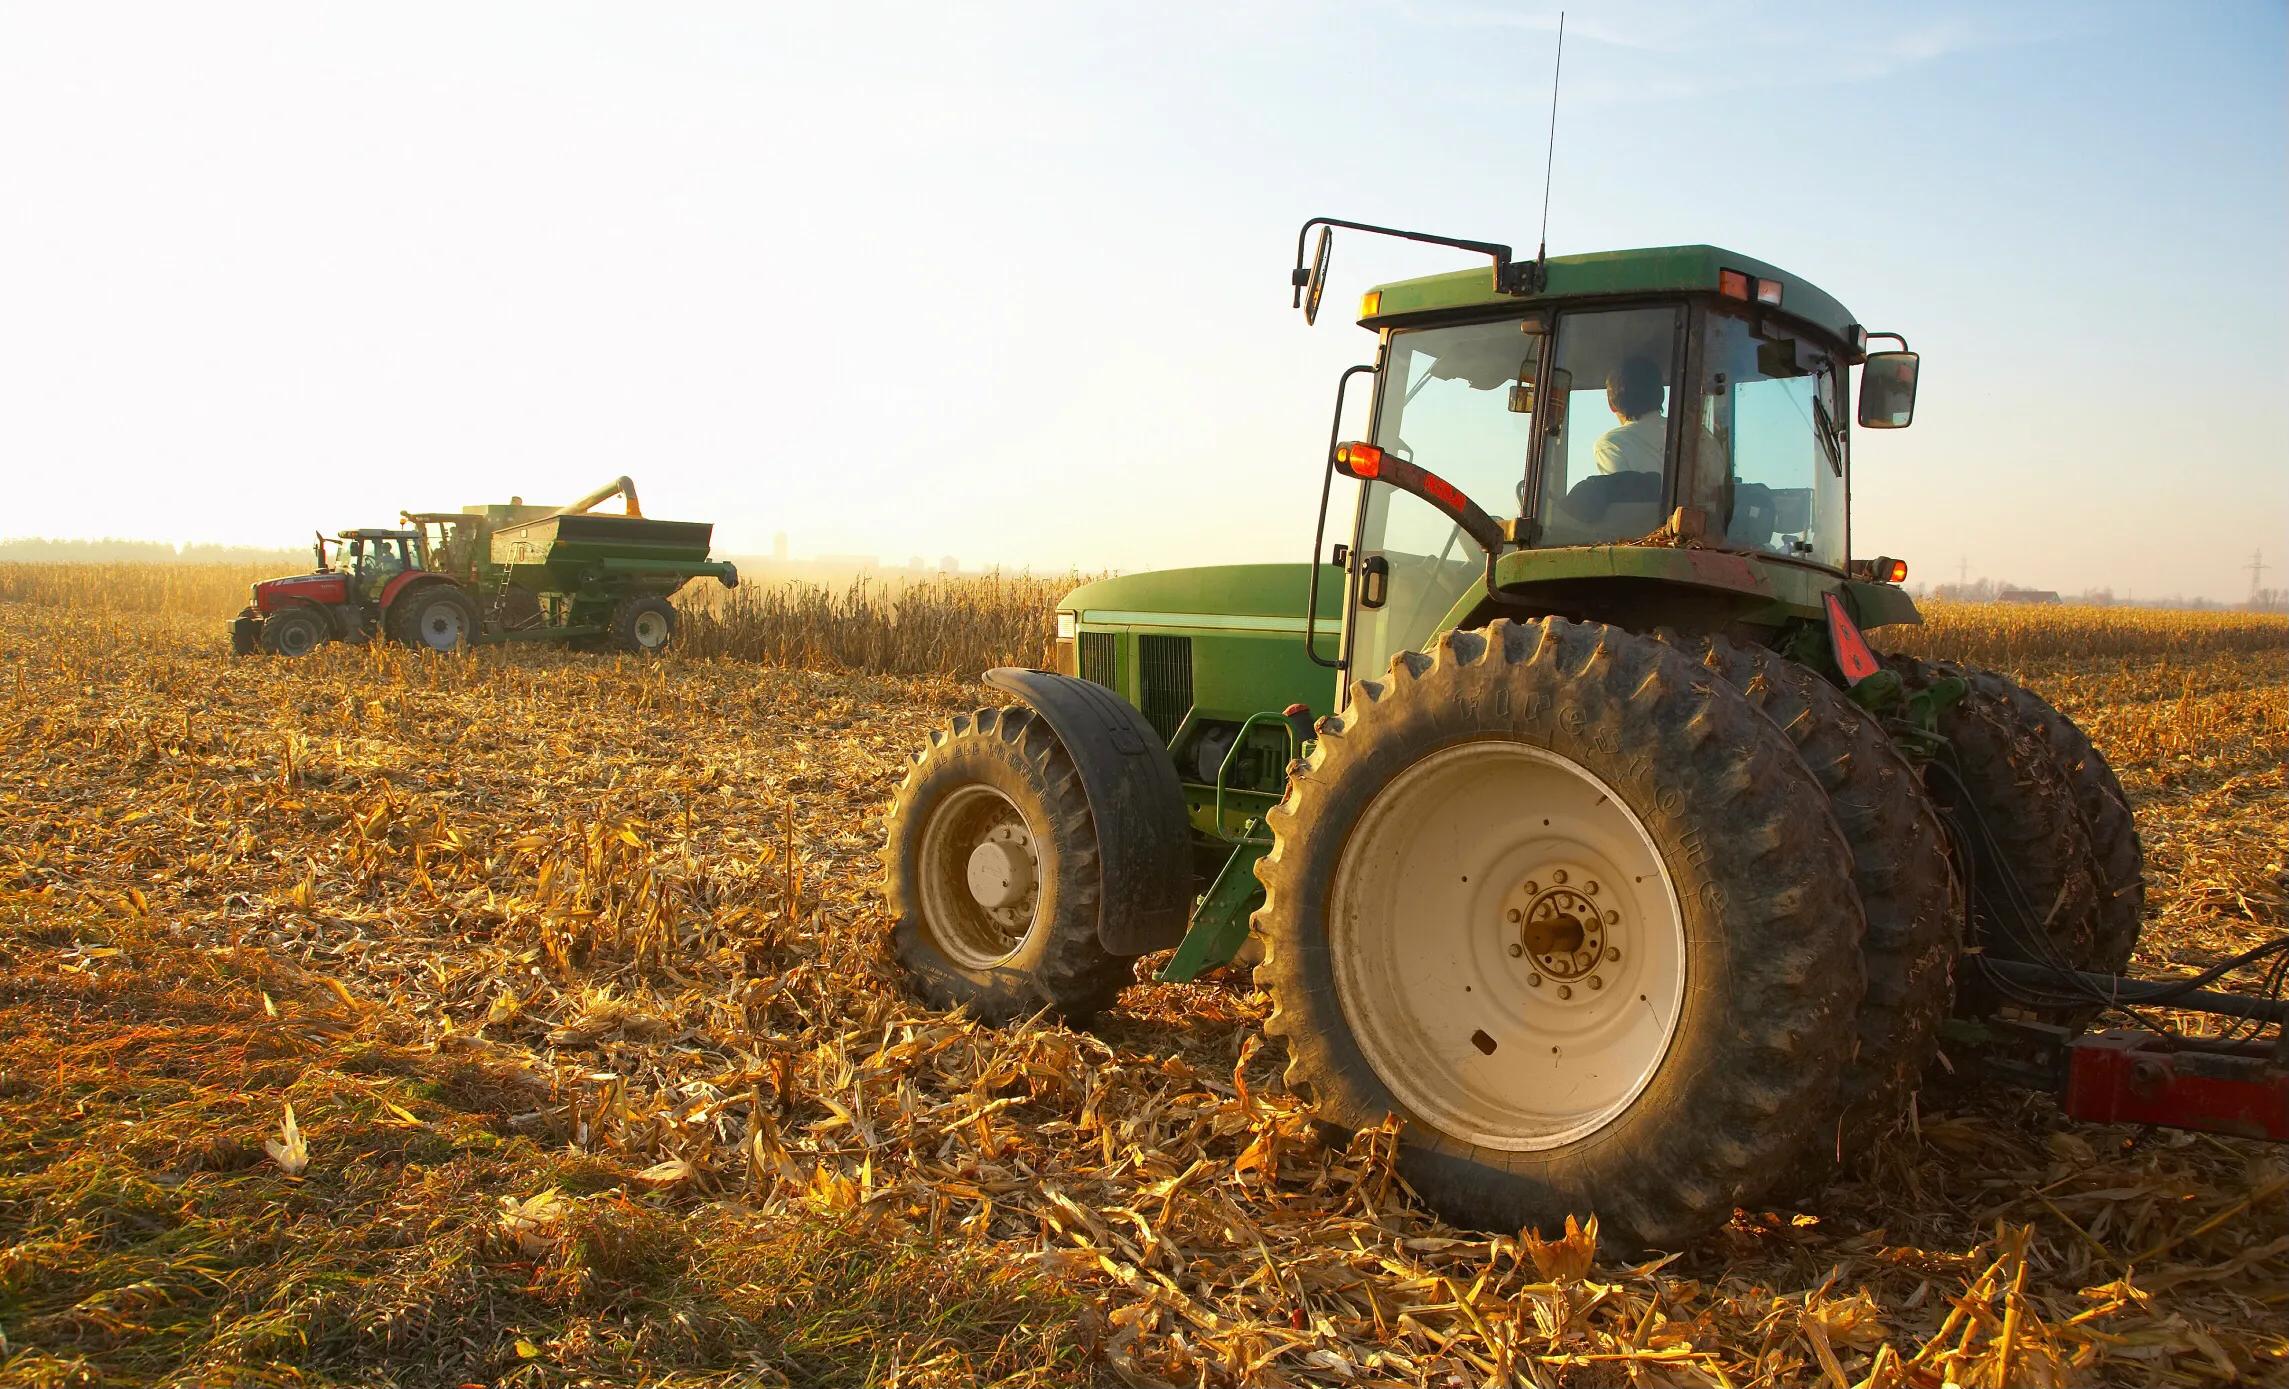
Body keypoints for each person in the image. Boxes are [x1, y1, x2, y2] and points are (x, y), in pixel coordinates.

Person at [1593, 356, 1667, 475]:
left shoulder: (1611, 445)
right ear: (1661, 394)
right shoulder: (1693, 433)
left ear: (1611, 404)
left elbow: (1620, 487)